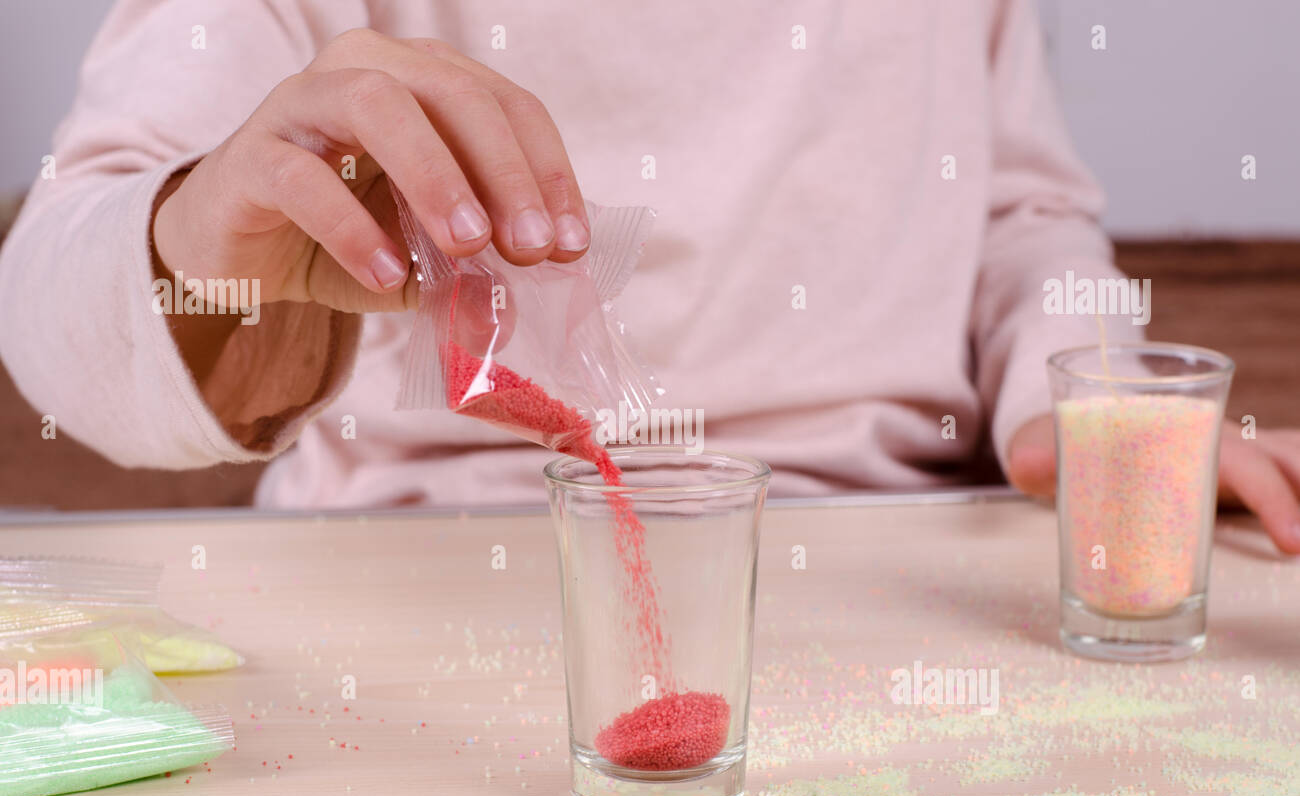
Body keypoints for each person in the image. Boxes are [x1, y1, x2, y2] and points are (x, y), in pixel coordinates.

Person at [1, 0, 1297, 552]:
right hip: (433, 549)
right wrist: (197, 239)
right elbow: (59, 308)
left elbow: (1021, 211)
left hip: (901, 547)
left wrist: (1087, 400)